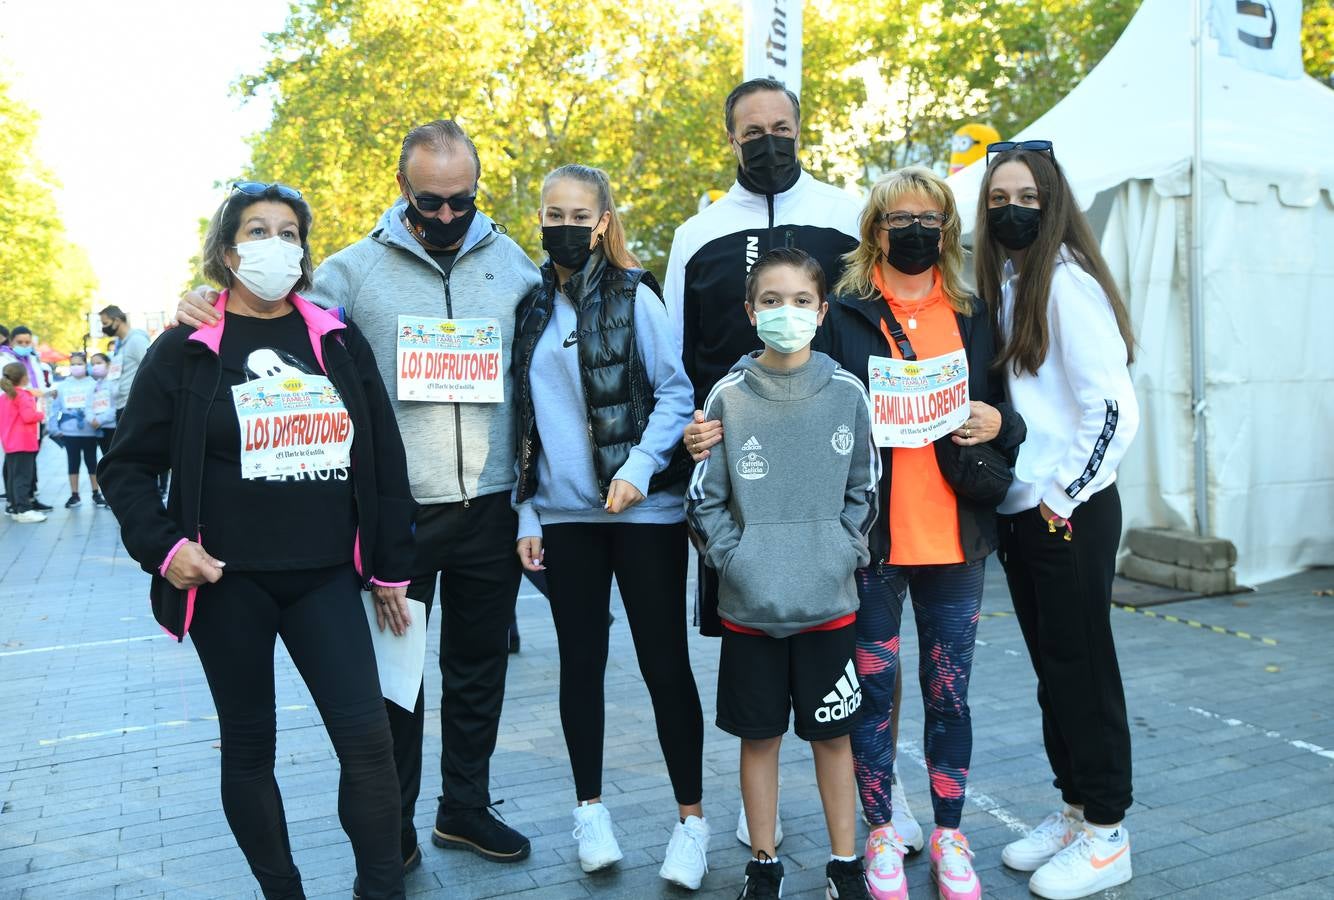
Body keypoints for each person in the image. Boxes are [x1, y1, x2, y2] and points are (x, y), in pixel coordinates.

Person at [176, 121, 542, 878]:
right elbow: (265, 310)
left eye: (461, 201)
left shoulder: (515, 267)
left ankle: (464, 810)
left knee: (478, 670)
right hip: (396, 516)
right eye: (430, 201)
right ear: (402, 188)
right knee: (393, 688)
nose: (446, 216)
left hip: (490, 501)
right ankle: (394, 829)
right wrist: (196, 302)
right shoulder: (348, 271)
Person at [98, 181, 416, 899]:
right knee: (249, 750)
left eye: (288, 231)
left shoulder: (333, 337)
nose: (274, 244)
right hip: (225, 585)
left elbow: (383, 454)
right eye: (257, 230)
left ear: (304, 248)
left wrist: (393, 564)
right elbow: (126, 466)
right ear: (227, 249)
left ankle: (381, 890)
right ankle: (282, 892)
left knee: (368, 746)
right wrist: (166, 548)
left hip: (328, 577)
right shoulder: (188, 347)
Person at [668, 75, 904, 849]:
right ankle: (757, 816)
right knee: (756, 699)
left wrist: (847, 536)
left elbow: (881, 329)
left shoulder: (846, 215)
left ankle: (879, 798)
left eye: (780, 126)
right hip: (745, 501)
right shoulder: (697, 234)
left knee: (851, 671)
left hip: (828, 494)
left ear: (799, 129)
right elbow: (678, 367)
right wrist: (692, 441)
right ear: (729, 137)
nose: (767, 138)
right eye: (751, 129)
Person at [814, 167, 1027, 900]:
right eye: (900, 218)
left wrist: (1002, 423)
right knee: (873, 698)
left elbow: (1008, 411)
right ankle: (881, 833)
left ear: (947, 229)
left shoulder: (972, 312)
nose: (916, 231)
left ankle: (949, 834)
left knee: (951, 697)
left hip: (955, 542)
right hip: (874, 544)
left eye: (929, 219)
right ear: (875, 229)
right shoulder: (842, 314)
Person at [511, 165, 707, 886]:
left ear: (601, 222)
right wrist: (526, 511)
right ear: (539, 216)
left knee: (664, 665)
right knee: (579, 665)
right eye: (551, 211)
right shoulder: (529, 308)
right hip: (565, 519)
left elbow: (676, 391)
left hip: (643, 514)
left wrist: (641, 467)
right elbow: (522, 422)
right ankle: (590, 812)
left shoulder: (637, 296)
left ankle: (691, 822)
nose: (564, 224)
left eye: (578, 213)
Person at [973, 141, 1139, 900]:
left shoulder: (1069, 284)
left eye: (1028, 198)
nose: (1013, 209)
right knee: (1054, 674)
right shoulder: (1007, 282)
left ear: (1053, 203)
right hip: (1026, 510)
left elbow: (1112, 410)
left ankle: (1108, 833)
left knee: (1083, 670)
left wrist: (1058, 497)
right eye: (1000, 196)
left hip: (1066, 510)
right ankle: (1074, 810)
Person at [687, 247, 877, 900]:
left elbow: (865, 489)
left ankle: (844, 864)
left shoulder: (848, 393)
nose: (786, 312)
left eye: (801, 301)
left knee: (833, 742)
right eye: (771, 301)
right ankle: (762, 865)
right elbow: (704, 498)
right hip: (751, 609)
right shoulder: (728, 397)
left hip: (829, 605)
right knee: (759, 739)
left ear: (823, 312)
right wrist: (737, 563)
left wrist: (840, 553)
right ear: (749, 312)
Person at [0, 326, 54, 513]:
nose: (24, 345)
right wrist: (29, 394)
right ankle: (15, 503)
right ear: (11, 342)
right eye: (19, 342)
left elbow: (39, 384)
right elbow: (9, 389)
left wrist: (44, 396)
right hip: (18, 419)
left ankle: (29, 497)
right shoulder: (4, 360)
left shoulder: (33, 359)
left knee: (28, 462)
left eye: (27, 342)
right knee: (15, 465)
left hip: (32, 416)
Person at [48, 351, 107, 508]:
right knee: (72, 462)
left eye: (79, 363)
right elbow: (55, 409)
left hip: (89, 431)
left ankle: (96, 493)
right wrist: (53, 428)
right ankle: (74, 495)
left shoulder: (94, 384)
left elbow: (102, 403)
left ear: (85, 365)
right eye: (72, 364)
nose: (76, 367)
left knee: (92, 461)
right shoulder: (63, 386)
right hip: (69, 432)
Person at [1, 361, 47, 523]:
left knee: (12, 476)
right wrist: (41, 414)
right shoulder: (24, 396)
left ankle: (15, 507)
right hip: (24, 441)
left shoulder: (4, 397)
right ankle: (24, 510)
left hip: (10, 442)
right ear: (24, 378)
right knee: (23, 477)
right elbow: (29, 417)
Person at [87, 353, 117, 454]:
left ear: (108, 364)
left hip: (113, 427)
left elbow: (116, 406)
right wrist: (92, 419)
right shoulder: (94, 385)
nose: (95, 366)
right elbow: (88, 406)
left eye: (99, 363)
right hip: (98, 429)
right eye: (93, 364)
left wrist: (100, 419)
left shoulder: (114, 383)